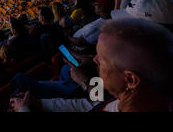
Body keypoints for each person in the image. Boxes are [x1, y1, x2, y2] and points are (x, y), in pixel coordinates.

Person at [11, 18, 173, 112]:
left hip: (84, 90)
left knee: (20, 79)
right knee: (67, 70)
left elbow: (95, 102)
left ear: (130, 79)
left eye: (102, 58)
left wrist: (24, 110)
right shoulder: (135, 100)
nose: (94, 59)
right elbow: (94, 104)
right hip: (87, 90)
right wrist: (40, 103)